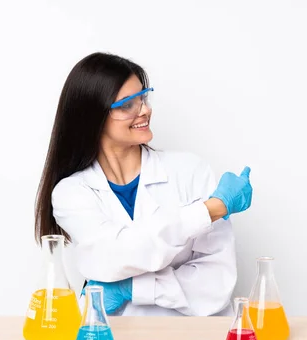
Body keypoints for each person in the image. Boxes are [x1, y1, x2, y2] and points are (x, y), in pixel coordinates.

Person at [34, 52, 253, 317]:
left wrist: (130, 287)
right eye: (128, 104)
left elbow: (216, 283)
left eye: (144, 97)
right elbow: (114, 256)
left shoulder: (190, 171)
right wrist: (207, 211)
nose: (145, 109)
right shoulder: (72, 193)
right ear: (93, 116)